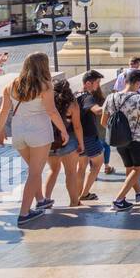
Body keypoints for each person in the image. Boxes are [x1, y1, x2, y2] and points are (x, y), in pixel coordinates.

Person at [0, 52, 69, 226]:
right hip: (39, 132)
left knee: (33, 170)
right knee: (35, 172)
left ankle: (41, 199)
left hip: (18, 131)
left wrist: (0, 131)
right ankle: (24, 213)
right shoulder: (45, 86)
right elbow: (51, 111)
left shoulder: (11, 85)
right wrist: (63, 130)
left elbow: (3, 110)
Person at [103, 68, 140, 211]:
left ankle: (138, 193)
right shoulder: (139, 99)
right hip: (138, 139)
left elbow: (104, 121)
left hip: (120, 140)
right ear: (138, 82)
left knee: (129, 168)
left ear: (125, 81)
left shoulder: (111, 97)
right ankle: (119, 199)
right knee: (138, 169)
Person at [43, 78, 83, 208]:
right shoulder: (72, 104)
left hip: (50, 141)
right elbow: (77, 126)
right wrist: (81, 143)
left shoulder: (46, 101)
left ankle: (45, 200)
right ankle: (74, 201)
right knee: (70, 172)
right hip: (68, 141)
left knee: (53, 170)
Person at [76, 70, 106, 202]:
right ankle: (85, 193)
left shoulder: (75, 94)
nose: (98, 86)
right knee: (98, 163)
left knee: (81, 166)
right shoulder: (87, 97)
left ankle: (78, 194)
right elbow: (97, 110)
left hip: (78, 136)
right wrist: (111, 103)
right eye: (97, 82)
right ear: (88, 83)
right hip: (88, 135)